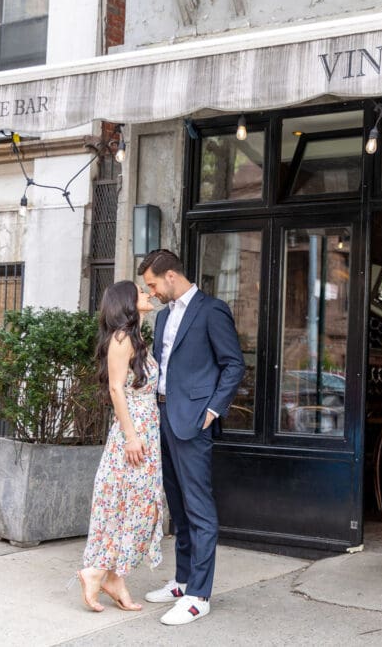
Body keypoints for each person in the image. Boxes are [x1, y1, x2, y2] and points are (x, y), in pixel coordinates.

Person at [138, 249, 245, 626]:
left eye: (152, 284)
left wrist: (213, 410)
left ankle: (199, 595)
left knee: (199, 507)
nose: (150, 293)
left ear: (170, 276)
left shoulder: (211, 310)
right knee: (178, 506)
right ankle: (183, 581)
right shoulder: (164, 316)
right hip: (162, 415)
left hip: (193, 420)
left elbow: (234, 363)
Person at [76, 281, 164, 612]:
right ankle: (98, 572)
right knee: (128, 506)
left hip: (145, 434)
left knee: (136, 508)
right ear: (128, 302)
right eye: (142, 293)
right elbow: (116, 390)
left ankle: (114, 577)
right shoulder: (121, 339)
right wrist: (130, 436)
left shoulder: (137, 340)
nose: (149, 295)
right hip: (133, 437)